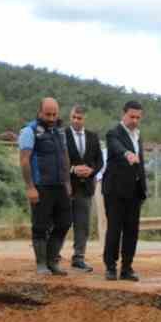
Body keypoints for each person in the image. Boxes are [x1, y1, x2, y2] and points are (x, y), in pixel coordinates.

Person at [18, 97, 73, 275]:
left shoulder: (60, 131)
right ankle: (41, 263)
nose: (51, 118)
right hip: (41, 186)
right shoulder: (29, 131)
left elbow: (65, 156)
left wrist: (67, 182)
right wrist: (30, 187)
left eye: (54, 114)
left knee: (64, 223)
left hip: (60, 185)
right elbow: (24, 160)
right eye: (47, 114)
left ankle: (52, 260)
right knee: (40, 226)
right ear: (39, 112)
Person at [102, 100, 147, 281]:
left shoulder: (138, 135)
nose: (135, 120)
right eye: (132, 116)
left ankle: (127, 268)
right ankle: (110, 267)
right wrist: (127, 153)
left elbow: (141, 163)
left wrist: (143, 188)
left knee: (132, 230)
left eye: (138, 117)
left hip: (134, 192)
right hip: (115, 191)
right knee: (114, 229)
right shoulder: (114, 133)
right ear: (124, 114)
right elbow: (116, 147)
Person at [64, 105, 103, 272]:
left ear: (84, 118)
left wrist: (92, 170)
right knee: (60, 223)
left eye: (79, 118)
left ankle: (78, 258)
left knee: (83, 224)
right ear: (70, 116)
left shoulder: (93, 137)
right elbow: (58, 158)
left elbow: (100, 161)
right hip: (65, 187)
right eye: (73, 117)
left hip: (86, 188)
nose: (76, 120)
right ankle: (53, 256)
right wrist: (72, 169)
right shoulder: (62, 135)